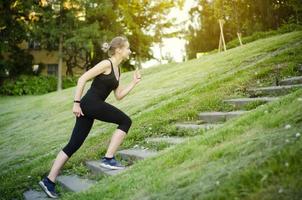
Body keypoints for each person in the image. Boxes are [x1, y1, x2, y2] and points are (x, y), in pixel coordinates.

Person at [39, 36, 141, 198]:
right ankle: (108, 158)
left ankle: (48, 181)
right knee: (125, 121)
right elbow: (82, 79)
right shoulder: (106, 64)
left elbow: (119, 95)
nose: (129, 51)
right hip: (89, 104)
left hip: (92, 106)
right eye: (127, 48)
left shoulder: (117, 69)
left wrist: (133, 83)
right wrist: (76, 103)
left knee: (74, 144)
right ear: (119, 50)